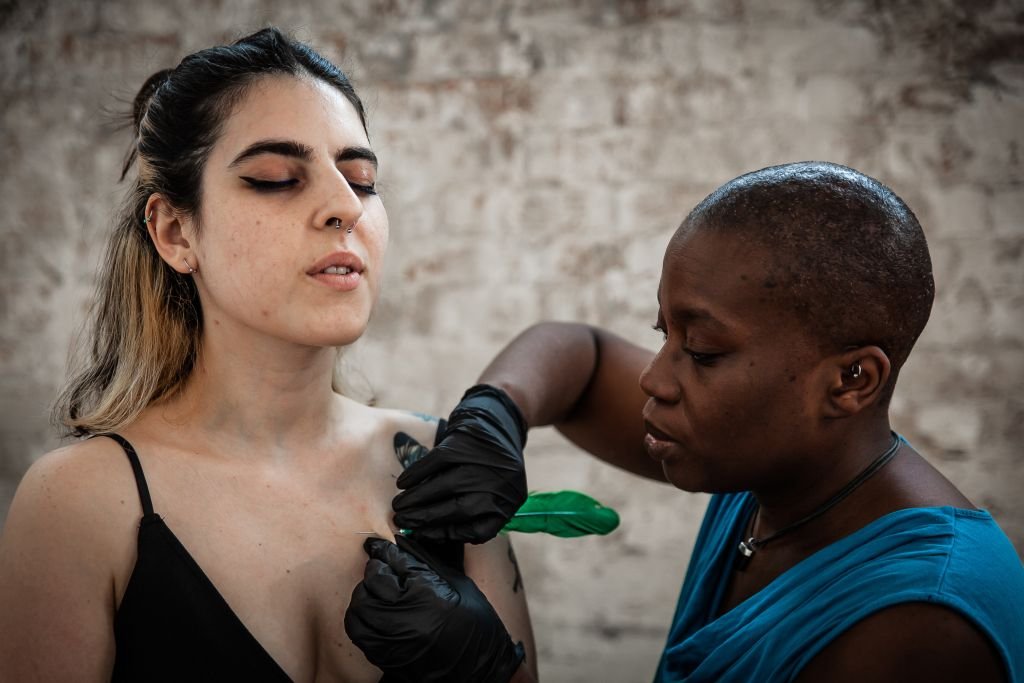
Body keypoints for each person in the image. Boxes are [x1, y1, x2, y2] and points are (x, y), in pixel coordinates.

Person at [0, 28, 536, 683]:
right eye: (276, 178)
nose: (344, 205)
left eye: (362, 180)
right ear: (175, 231)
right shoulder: (80, 502)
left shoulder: (448, 468)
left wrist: (487, 669)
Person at [353, 162, 1024, 682]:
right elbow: (580, 359)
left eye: (701, 351)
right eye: (663, 333)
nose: (655, 378)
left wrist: (488, 671)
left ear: (851, 381)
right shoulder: (773, 468)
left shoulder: (920, 623)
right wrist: (495, 414)